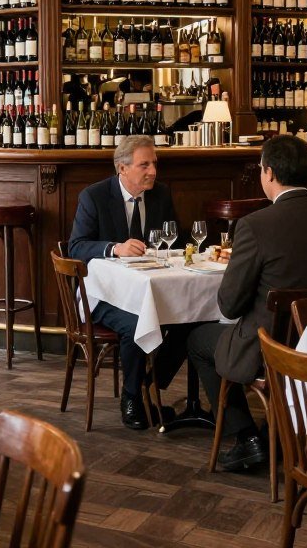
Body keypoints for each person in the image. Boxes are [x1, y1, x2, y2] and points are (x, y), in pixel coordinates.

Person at [187, 134, 307, 472]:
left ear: (269, 173)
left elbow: (230, 305)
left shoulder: (255, 225)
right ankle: (277, 431)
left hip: (273, 349)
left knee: (197, 341)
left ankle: (247, 437)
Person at [67, 135, 186, 430]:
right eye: (144, 165)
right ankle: (131, 398)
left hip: (149, 289)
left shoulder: (161, 195)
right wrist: (114, 248)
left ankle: (146, 385)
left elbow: (176, 242)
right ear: (122, 168)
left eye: (154, 164)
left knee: (190, 322)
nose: (153, 171)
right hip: (101, 295)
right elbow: (76, 247)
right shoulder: (94, 196)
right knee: (135, 323)